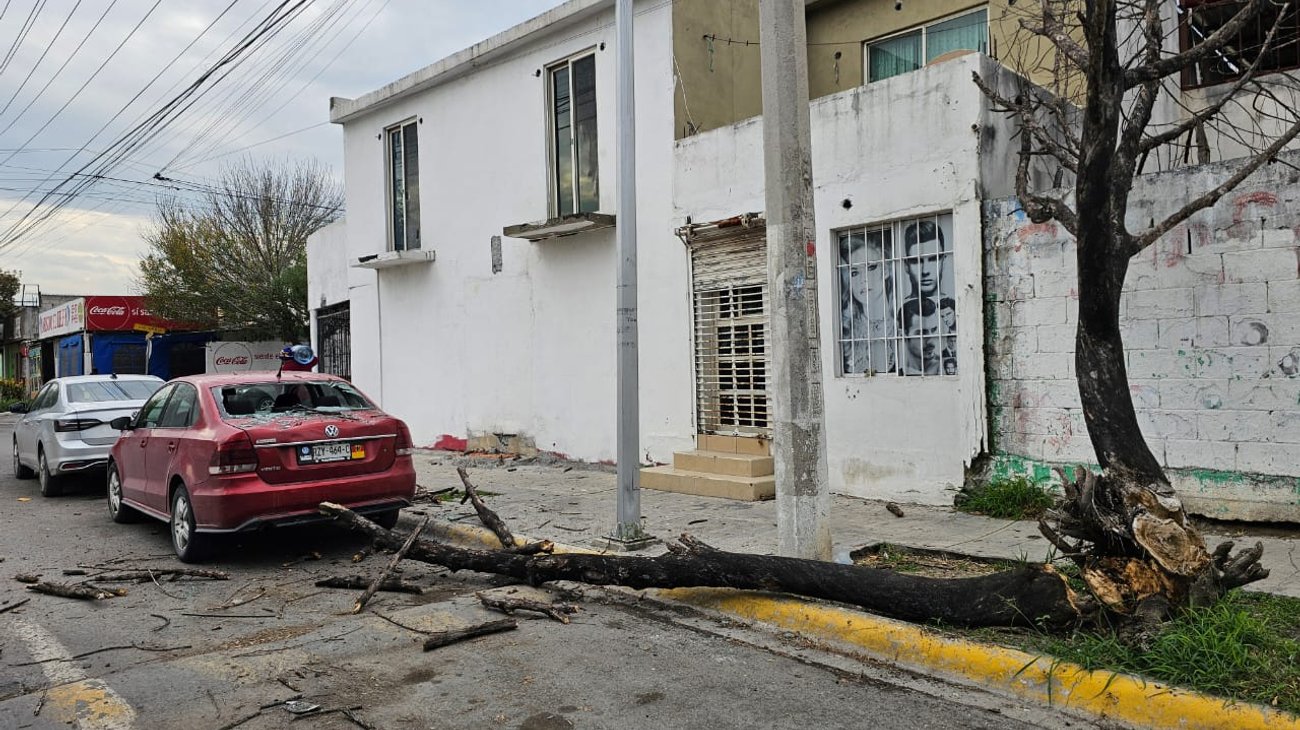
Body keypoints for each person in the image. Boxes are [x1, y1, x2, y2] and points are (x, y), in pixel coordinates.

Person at [839, 231, 896, 375]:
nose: (863, 279)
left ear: (886, 270)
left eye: (870, 268)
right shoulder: (846, 330)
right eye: (854, 273)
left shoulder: (902, 320)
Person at [898, 298, 942, 375]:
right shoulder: (892, 372)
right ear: (903, 335)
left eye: (934, 330)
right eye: (922, 332)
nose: (931, 341)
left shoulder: (947, 367)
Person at [903, 219, 945, 300]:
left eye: (933, 259)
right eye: (916, 261)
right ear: (906, 266)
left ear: (944, 261)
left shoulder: (955, 307)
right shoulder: (897, 311)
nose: (925, 271)